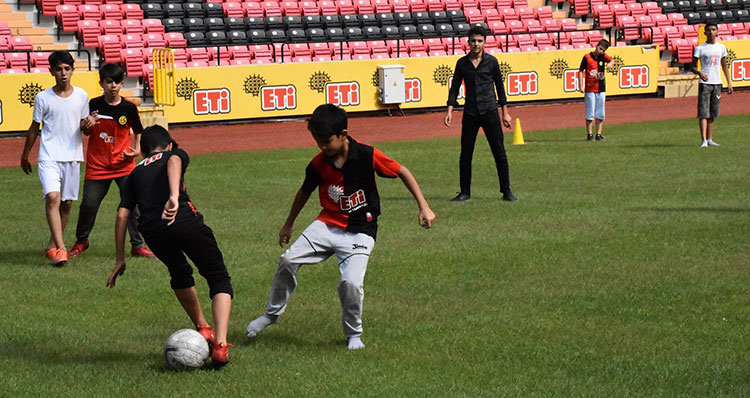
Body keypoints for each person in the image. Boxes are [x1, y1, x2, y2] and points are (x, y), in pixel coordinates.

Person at [246, 104, 435, 350]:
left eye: (326, 142)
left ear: (343, 134)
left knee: (351, 283)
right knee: (288, 260)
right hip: (326, 224)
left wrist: (424, 206)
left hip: (360, 230)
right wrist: (288, 224)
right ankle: (271, 315)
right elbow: (304, 192)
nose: (322, 147)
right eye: (317, 141)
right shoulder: (318, 164)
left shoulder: (367, 155)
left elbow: (403, 172)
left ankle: (353, 334)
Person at [105, 125, 233, 367]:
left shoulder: (134, 173)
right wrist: (174, 195)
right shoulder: (174, 153)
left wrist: (120, 259)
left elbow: (123, 215)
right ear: (169, 144)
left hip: (152, 230)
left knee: (179, 273)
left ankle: (203, 329)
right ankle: (221, 346)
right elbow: (174, 160)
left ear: (142, 153)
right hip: (182, 219)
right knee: (218, 277)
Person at [70, 63, 155, 258]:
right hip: (97, 165)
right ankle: (82, 241)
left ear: (122, 83)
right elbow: (85, 131)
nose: (113, 86)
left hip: (124, 165)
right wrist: (87, 125)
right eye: (109, 82)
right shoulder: (93, 105)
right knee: (89, 205)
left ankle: (137, 245)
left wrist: (137, 149)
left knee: (133, 205)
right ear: (101, 83)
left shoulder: (129, 107)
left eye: (117, 82)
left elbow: (138, 130)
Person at [20, 50, 94, 266]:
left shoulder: (81, 96)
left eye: (67, 69)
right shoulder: (43, 98)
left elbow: (84, 129)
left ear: (73, 70)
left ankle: (52, 245)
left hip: (72, 156)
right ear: (51, 71)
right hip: (49, 156)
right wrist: (25, 155)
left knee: (67, 203)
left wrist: (87, 126)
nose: (63, 73)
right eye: (59, 69)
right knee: (53, 197)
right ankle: (61, 249)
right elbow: (35, 128)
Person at [444, 25, 516, 203]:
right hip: (470, 113)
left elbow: (500, 87)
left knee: (499, 153)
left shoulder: (491, 62)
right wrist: (450, 110)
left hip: (490, 111)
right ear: (468, 42)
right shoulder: (462, 63)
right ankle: (464, 192)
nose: (476, 44)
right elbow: (454, 89)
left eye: (479, 41)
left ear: (485, 43)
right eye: (473, 41)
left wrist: (505, 113)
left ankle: (506, 191)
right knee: (466, 154)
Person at [691, 22, 733, 148]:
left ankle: (710, 139)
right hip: (705, 83)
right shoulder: (700, 48)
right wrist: (699, 73)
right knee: (703, 111)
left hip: (717, 83)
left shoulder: (721, 48)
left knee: (713, 112)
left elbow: (724, 65)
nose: (711, 32)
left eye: (713, 30)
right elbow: (692, 67)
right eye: (708, 30)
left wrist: (729, 82)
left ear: (717, 32)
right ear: (705, 33)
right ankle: (703, 139)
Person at [578, 39, 614, 142]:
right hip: (590, 88)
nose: (601, 52)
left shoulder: (604, 57)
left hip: (601, 88)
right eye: (600, 49)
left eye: (603, 50)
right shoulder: (587, 57)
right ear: (597, 46)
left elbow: (612, 60)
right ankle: (589, 134)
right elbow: (580, 71)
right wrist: (581, 85)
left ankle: (599, 134)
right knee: (590, 113)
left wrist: (610, 64)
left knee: (600, 112)